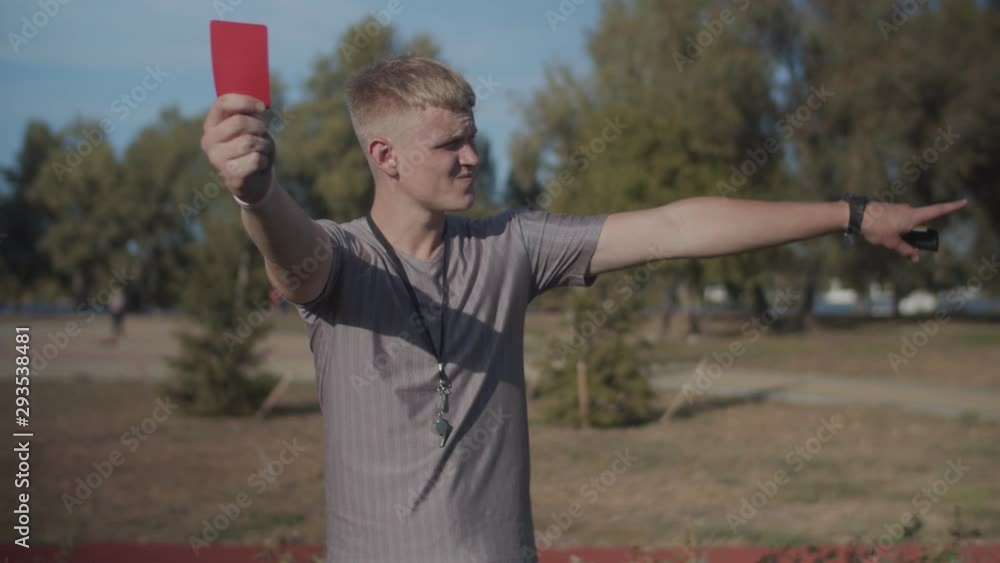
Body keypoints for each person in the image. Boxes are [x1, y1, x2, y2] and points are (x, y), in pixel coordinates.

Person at [199, 56, 967, 562]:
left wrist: (851, 213)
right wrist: (255, 189)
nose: (473, 157)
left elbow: (675, 226)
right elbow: (290, 256)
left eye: (475, 138)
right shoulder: (339, 260)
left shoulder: (513, 245)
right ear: (386, 156)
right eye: (449, 144)